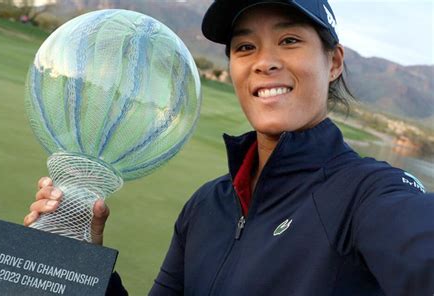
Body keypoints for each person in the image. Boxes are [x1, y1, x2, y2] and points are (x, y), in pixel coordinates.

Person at [24, 0, 434, 295]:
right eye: (245, 47)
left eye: (289, 40)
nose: (264, 61)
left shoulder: (371, 193)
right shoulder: (207, 205)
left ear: (334, 62)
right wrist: (85, 267)